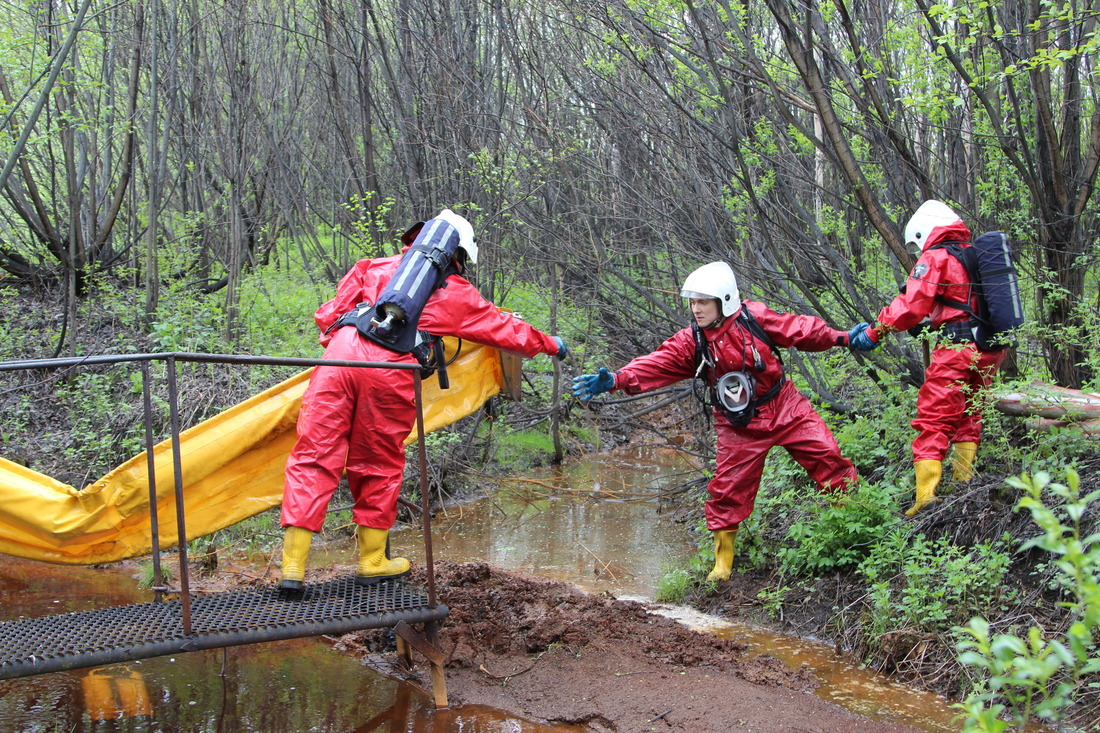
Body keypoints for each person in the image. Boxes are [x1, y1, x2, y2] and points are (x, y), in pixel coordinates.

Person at [278, 209, 567, 591]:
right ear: (458, 255)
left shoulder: (375, 266)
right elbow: (505, 330)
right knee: (377, 463)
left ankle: (292, 571)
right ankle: (372, 561)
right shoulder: (457, 292)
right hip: (390, 373)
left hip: (338, 360)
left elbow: (327, 316)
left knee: (314, 456)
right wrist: (551, 344)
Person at [572, 261, 868, 581]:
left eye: (703, 302)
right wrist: (616, 379)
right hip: (737, 422)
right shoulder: (693, 341)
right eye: (693, 302)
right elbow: (655, 365)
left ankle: (855, 529)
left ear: (724, 300)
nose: (696, 309)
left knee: (827, 456)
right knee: (727, 489)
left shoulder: (754, 319)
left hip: (784, 405)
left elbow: (800, 329)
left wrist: (843, 338)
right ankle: (722, 564)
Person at [848, 200, 1006, 516]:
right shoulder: (973, 253)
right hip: (989, 349)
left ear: (925, 233)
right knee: (969, 414)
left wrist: (876, 330)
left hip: (957, 349)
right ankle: (964, 481)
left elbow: (912, 305)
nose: (918, 251)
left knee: (933, 416)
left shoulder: (936, 258)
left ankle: (925, 497)